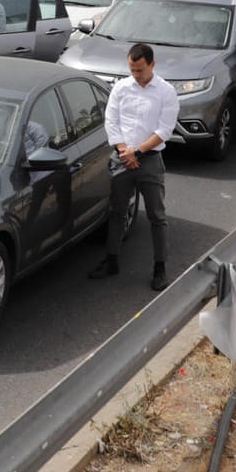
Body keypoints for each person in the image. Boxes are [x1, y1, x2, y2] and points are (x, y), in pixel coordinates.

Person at [95, 43, 178, 290]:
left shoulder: (166, 92)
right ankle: (111, 260)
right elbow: (111, 121)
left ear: (152, 65)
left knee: (157, 215)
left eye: (140, 70)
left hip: (149, 160)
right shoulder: (121, 88)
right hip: (122, 158)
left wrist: (138, 151)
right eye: (132, 69)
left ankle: (160, 267)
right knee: (117, 211)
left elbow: (164, 130)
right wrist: (124, 150)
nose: (136, 74)